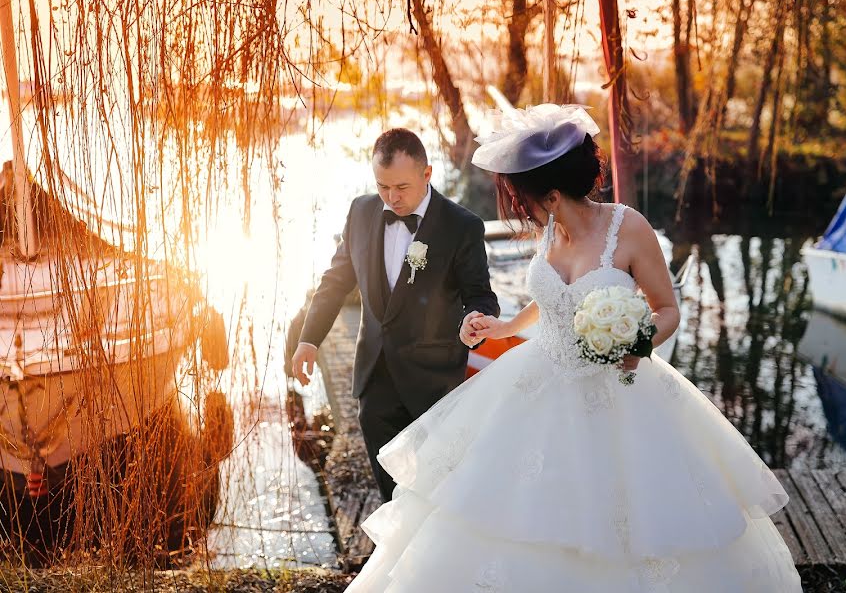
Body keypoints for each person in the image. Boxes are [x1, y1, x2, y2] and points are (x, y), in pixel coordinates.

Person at [344, 105, 802, 592]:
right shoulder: (550, 232)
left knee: (621, 525)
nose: (520, 210)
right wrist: (500, 328)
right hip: (538, 380)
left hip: (618, 391)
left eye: (524, 199)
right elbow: (548, 304)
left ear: (554, 195)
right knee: (499, 507)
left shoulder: (629, 229)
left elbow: (667, 308)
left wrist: (639, 341)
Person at [292, 128, 500, 502]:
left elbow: (480, 297)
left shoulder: (462, 226)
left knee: (438, 492)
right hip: (375, 384)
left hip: (435, 385)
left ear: (427, 174)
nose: (392, 198)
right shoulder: (361, 211)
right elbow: (334, 282)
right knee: (391, 495)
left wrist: (476, 320)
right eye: (383, 186)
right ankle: (399, 555)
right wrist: (309, 339)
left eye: (401, 187)